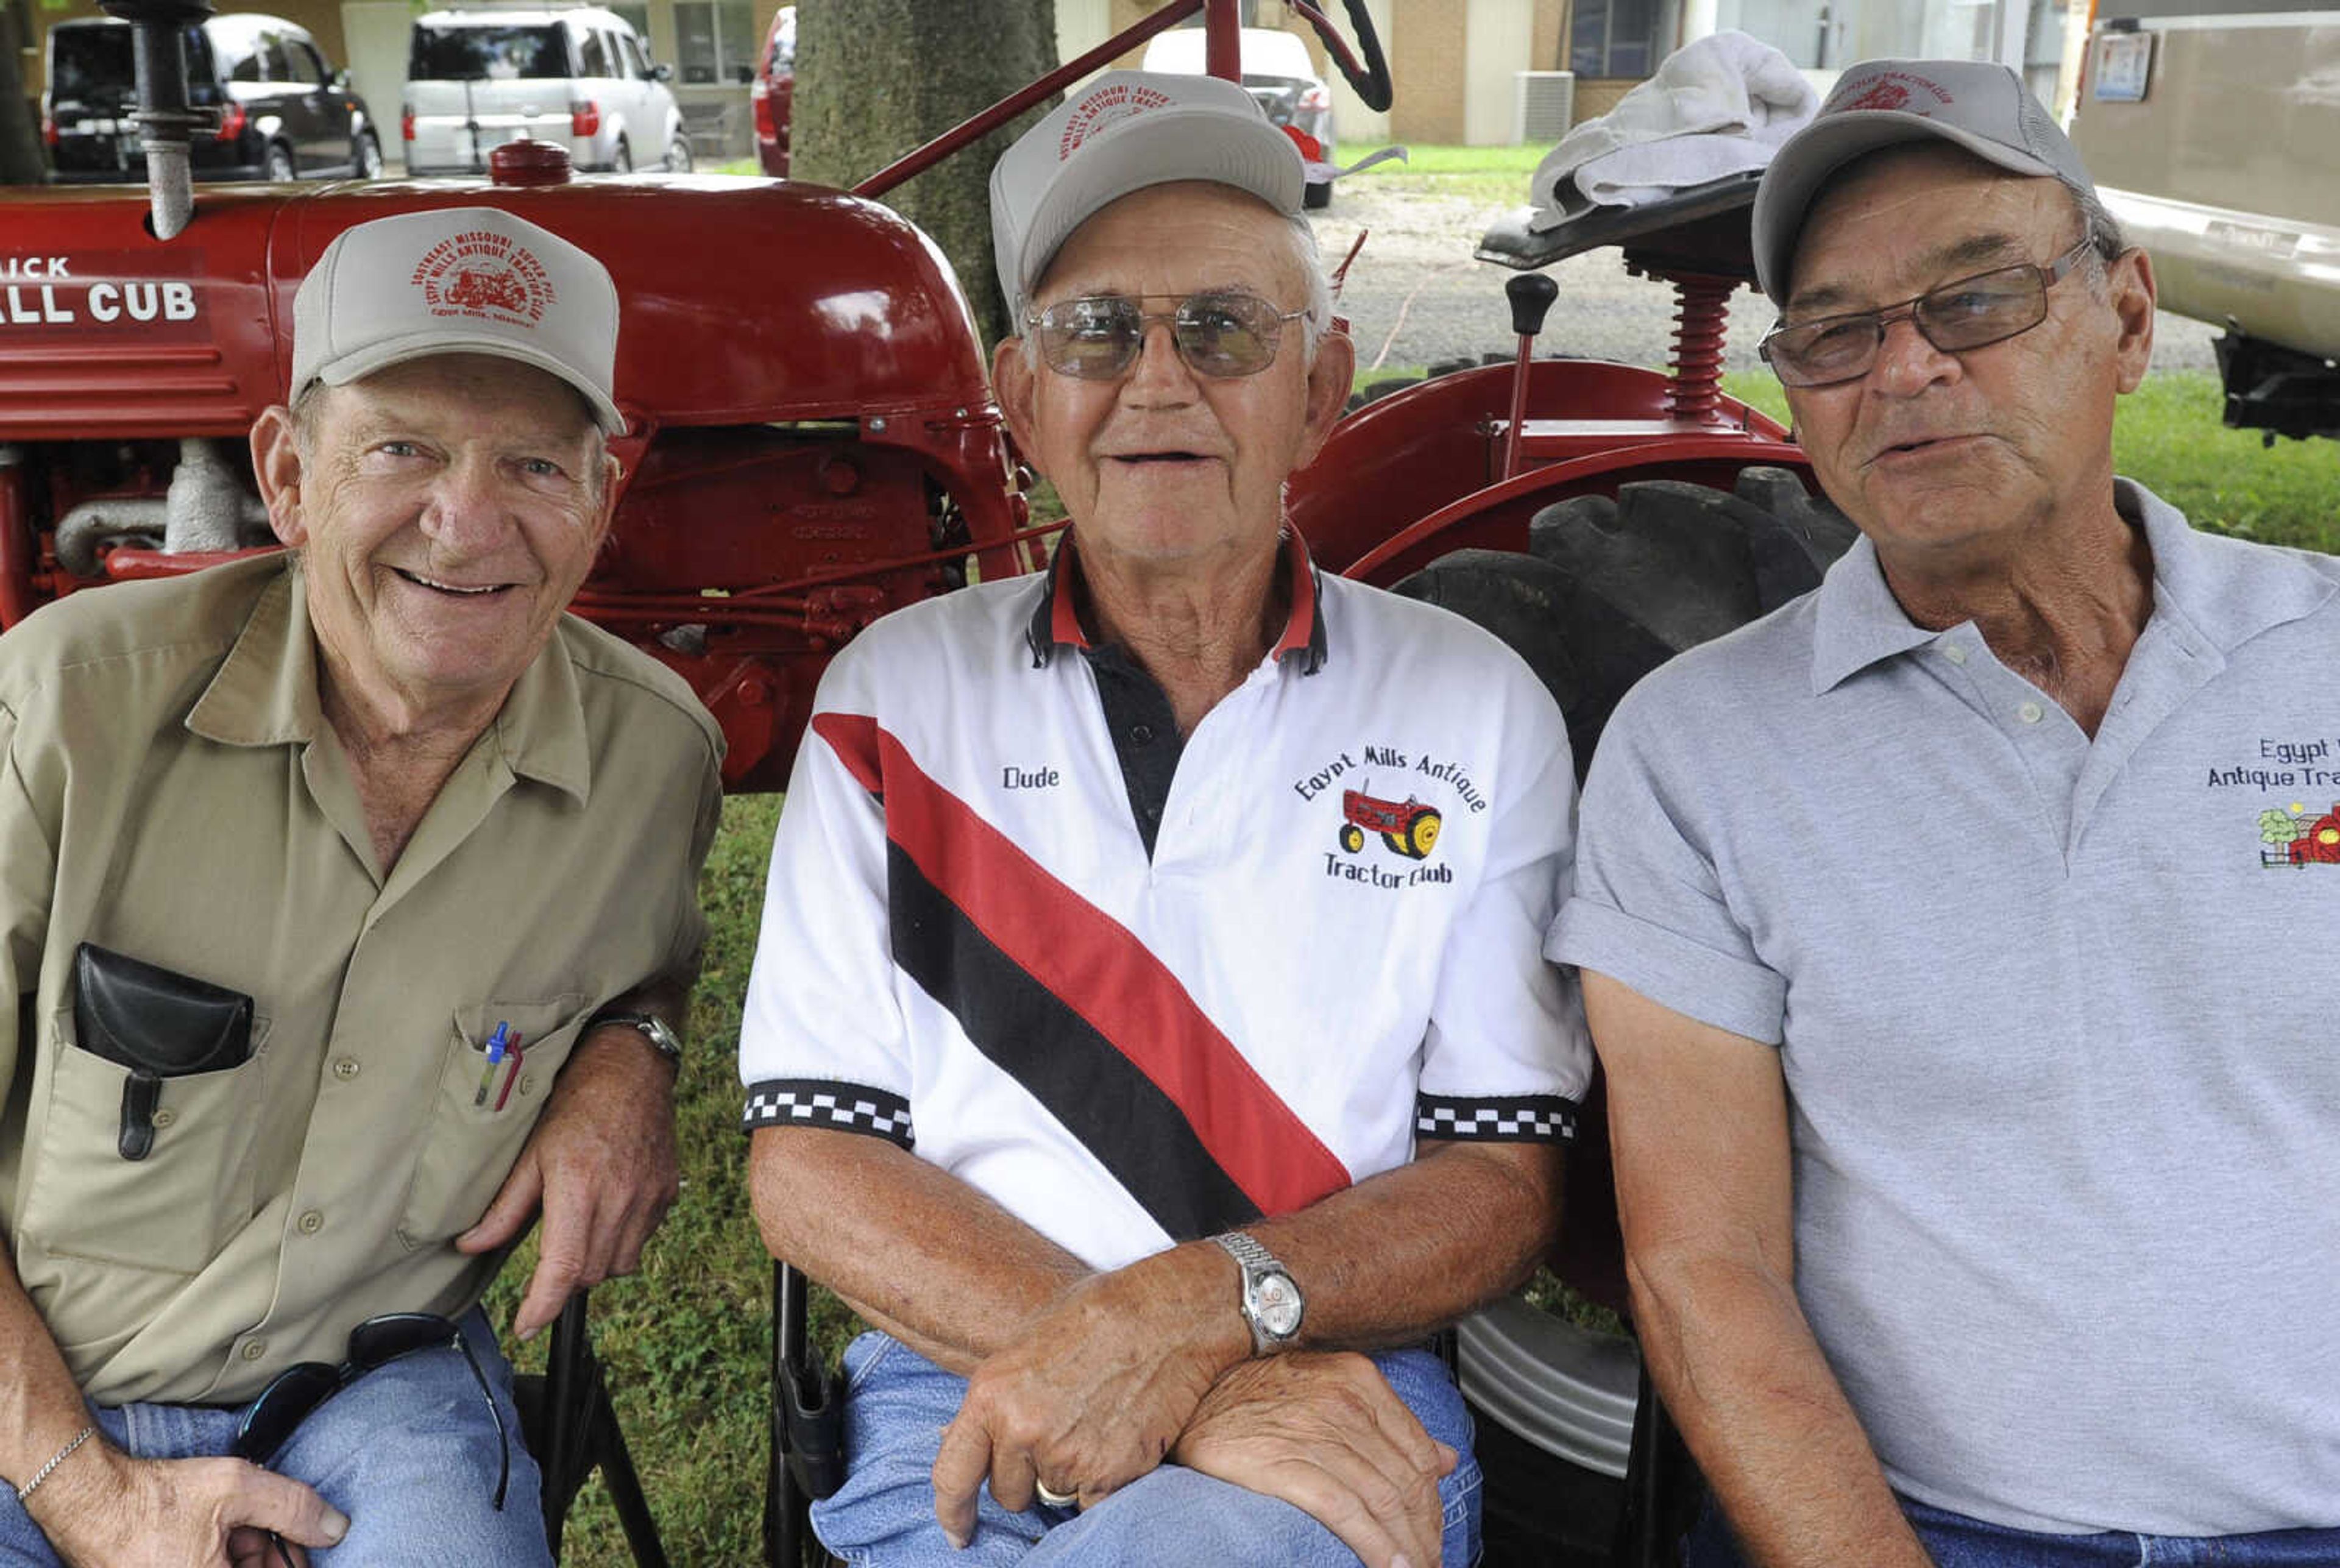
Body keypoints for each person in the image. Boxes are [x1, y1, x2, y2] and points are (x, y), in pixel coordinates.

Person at [740, 71, 1592, 1568]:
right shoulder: (895, 697)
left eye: (1221, 329)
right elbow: (810, 1159)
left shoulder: (1475, 706)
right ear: (1019, 398)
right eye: (1095, 331)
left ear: (1321, 389)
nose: (1158, 378)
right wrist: (1141, 1365)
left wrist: (1195, 1321)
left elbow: (1499, 1181)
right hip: (952, 1385)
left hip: (1326, 1386)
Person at [1549, 57, 2340, 1566]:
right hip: (1936, 1529)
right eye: (1837, 333)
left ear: (2124, 319)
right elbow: (1705, 1270)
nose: (1904, 372)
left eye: (1978, 300)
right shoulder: (1700, 749)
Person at [0, 205, 723, 1566]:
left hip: (372, 1394)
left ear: (601, 501)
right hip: (31, 1395)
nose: (467, 520)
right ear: (285, 474)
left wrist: (635, 1053)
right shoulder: (60, 715)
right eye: (402, 450)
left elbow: (648, 969)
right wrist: (94, 1500)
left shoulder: (650, 761)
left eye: (532, 464)